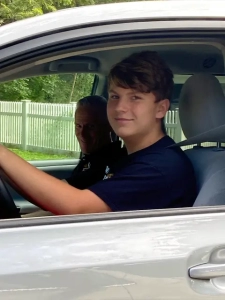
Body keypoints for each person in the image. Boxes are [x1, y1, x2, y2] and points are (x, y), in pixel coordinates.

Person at [0, 51, 196, 217]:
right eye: (114, 96)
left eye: (135, 97)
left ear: (161, 109)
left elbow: (77, 206)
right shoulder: (132, 158)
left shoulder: (160, 167)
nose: (120, 107)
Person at [65, 95, 126, 189]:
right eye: (78, 126)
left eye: (91, 127)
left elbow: (67, 188)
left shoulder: (112, 163)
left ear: (109, 126)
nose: (82, 134)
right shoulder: (90, 157)